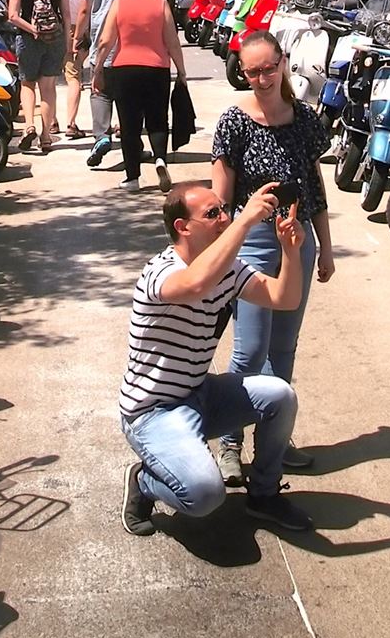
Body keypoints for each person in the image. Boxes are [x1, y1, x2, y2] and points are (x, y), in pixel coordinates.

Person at [119, 182, 314, 537]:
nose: (224, 218)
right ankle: (145, 482)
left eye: (224, 209)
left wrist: (290, 251)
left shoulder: (228, 270)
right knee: (205, 495)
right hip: (153, 412)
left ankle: (264, 495)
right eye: (212, 214)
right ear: (182, 227)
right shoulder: (161, 271)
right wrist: (245, 221)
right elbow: (194, 285)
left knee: (280, 395)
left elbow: (284, 298)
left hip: (200, 393)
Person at [210, 29, 335, 485]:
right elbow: (220, 202)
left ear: (283, 62)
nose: (262, 79)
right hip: (254, 243)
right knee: (249, 352)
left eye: (268, 68)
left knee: (283, 349)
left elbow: (315, 186)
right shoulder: (235, 122)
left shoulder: (305, 120)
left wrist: (325, 247)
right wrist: (220, 251)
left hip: (296, 242)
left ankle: (273, 443)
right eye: (252, 72)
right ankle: (229, 443)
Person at [93, 0, 188, 192]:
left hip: (125, 68)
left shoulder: (120, 4)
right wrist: (181, 70)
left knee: (129, 124)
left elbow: (105, 41)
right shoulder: (161, 4)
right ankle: (160, 159)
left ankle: (132, 177)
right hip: (157, 68)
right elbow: (172, 41)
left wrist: (98, 69)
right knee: (158, 120)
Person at [76, 0, 163, 169]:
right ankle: (134, 147)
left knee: (100, 92)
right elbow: (162, 9)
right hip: (139, 49)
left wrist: (78, 36)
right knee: (133, 102)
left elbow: (84, 9)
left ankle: (102, 135)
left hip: (104, 44)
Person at [8, 0, 67, 154]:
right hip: (54, 38)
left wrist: (32, 28)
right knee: (48, 87)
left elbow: (12, 16)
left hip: (28, 39)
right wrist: (67, 42)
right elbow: (66, 14)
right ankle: (46, 136)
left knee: (27, 83)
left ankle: (29, 126)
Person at [52, 0, 89, 138]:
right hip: (74, 27)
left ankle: (51, 121)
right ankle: (71, 123)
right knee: (73, 76)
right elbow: (84, 10)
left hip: (50, 28)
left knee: (48, 77)